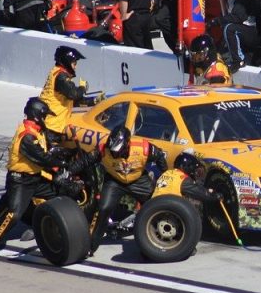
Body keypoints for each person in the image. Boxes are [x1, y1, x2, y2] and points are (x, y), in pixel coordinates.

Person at [0, 97, 63, 256]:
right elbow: (43, 158)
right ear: (37, 116)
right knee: (13, 214)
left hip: (34, 178)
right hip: (20, 181)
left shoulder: (34, 130)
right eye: (44, 116)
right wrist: (61, 163)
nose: (46, 119)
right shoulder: (27, 137)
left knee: (57, 192)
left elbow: (47, 144)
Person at [86, 125, 167, 255]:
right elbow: (85, 160)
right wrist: (68, 171)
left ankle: (163, 239)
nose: (115, 154)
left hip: (139, 180)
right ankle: (91, 245)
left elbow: (160, 158)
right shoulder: (102, 149)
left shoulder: (144, 147)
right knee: (104, 208)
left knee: (156, 204)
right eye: (113, 152)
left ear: (128, 144)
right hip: (114, 181)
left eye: (119, 151)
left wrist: (164, 177)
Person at [213, 0, 261, 71]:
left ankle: (239, 61)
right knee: (227, 27)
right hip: (250, 30)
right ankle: (231, 54)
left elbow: (238, 17)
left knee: (229, 29)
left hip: (255, 33)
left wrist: (216, 21)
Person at [40, 45, 89, 136]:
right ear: (67, 62)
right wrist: (82, 87)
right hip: (52, 125)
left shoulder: (57, 72)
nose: (75, 67)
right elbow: (73, 94)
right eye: (74, 64)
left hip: (52, 122)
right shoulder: (60, 76)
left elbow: (68, 96)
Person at [154, 151, 222, 205]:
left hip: (152, 205)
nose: (193, 172)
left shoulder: (167, 173)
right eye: (193, 169)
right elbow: (200, 193)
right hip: (168, 208)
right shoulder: (182, 178)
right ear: (187, 167)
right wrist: (215, 196)